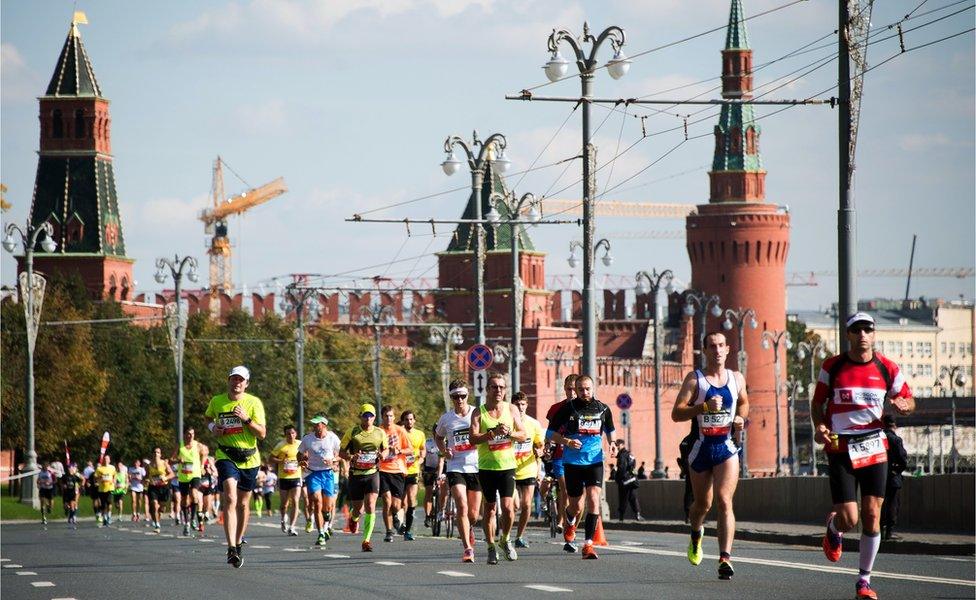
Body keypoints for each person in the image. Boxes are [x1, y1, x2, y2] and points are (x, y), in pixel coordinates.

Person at [812, 313, 914, 600]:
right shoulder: (832, 367)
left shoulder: (887, 368)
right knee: (850, 518)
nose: (862, 335)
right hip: (841, 447)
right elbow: (817, 403)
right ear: (848, 335)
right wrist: (820, 426)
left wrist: (905, 405)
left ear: (874, 334)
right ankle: (835, 528)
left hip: (874, 447)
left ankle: (864, 582)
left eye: (867, 329)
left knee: (871, 515)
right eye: (856, 330)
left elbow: (908, 398)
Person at [671, 330, 748, 580]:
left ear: (728, 350)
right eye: (712, 346)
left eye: (721, 345)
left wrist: (740, 418)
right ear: (704, 351)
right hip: (701, 449)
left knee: (725, 500)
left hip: (726, 447)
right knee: (702, 505)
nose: (717, 350)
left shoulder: (736, 378)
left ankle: (725, 558)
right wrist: (703, 407)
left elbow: (744, 402)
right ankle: (696, 533)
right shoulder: (696, 380)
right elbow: (676, 413)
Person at [546, 375, 618, 560]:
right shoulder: (568, 409)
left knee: (594, 499)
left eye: (587, 389)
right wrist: (567, 441)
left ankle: (588, 544)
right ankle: (569, 522)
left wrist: (612, 443)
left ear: (593, 388)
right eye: (581, 390)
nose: (585, 393)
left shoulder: (602, 409)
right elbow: (550, 433)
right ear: (576, 390)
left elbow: (610, 429)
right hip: (572, 462)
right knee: (576, 505)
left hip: (594, 461)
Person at [205, 365, 267, 569]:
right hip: (226, 454)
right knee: (230, 497)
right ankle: (231, 547)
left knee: (242, 503)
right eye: (234, 379)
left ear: (246, 383)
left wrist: (246, 419)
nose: (237, 382)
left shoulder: (253, 403)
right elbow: (207, 418)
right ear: (229, 380)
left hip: (249, 458)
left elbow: (262, 434)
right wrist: (214, 428)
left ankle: (238, 542)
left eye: (241, 380)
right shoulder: (217, 401)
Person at [471, 373, 527, 565]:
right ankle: (490, 546)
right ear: (487, 390)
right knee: (490, 509)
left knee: (509, 508)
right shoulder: (479, 412)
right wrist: (491, 434)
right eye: (494, 387)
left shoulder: (511, 409)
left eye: (502, 387)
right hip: (487, 467)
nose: (498, 391)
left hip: (507, 466)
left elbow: (523, 434)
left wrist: (509, 433)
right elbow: (472, 438)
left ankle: (505, 539)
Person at [435, 380, 482, 563]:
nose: (459, 400)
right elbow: (438, 437)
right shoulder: (446, 418)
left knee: (473, 514)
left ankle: (470, 528)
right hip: (456, 466)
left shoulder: (477, 413)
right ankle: (467, 548)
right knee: (461, 505)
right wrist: (444, 450)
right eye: (455, 397)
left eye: (462, 396)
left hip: (476, 466)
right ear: (451, 397)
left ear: (467, 396)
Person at [339, 403, 389, 552]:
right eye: (365, 415)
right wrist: (351, 456)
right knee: (358, 510)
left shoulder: (380, 432)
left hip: (372, 473)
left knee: (371, 505)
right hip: (356, 475)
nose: (368, 418)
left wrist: (382, 455)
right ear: (360, 416)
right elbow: (341, 452)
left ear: (374, 417)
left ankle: (366, 540)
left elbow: (385, 449)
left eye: (371, 415)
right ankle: (353, 519)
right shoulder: (352, 432)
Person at [541, 374, 577, 536]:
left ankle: (570, 522)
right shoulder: (556, 408)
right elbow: (550, 431)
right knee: (564, 487)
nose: (572, 393)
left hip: (579, 456)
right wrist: (547, 445)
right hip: (560, 455)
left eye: (575, 389)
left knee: (574, 493)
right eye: (569, 389)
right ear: (565, 389)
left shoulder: (586, 408)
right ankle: (562, 521)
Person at [299, 415, 341, 547]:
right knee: (317, 502)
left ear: (324, 425)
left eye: (317, 424)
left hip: (328, 473)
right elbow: (299, 452)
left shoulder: (332, 437)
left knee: (327, 508)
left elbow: (342, 454)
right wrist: (302, 461)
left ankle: (327, 525)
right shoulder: (308, 438)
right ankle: (321, 533)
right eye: (314, 424)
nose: (315, 426)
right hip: (313, 473)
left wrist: (333, 461)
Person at [511, 391, 544, 549]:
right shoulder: (507, 423)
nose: (520, 407)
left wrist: (540, 450)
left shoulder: (534, 424)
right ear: (512, 406)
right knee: (514, 505)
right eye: (517, 405)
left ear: (527, 405)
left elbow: (540, 444)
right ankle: (506, 533)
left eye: (523, 404)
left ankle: (519, 536)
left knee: (526, 505)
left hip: (528, 468)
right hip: (510, 468)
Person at [376, 405, 411, 543]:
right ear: (382, 417)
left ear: (394, 417)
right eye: (386, 416)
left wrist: (399, 451)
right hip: (383, 469)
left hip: (397, 469)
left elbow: (410, 449)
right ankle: (389, 531)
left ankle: (396, 516)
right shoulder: (378, 431)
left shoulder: (400, 430)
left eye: (391, 416)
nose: (389, 418)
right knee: (386, 500)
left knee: (396, 505)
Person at [270, 425, 303, 535]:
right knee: (284, 503)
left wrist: (303, 462)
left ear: (296, 434)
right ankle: (283, 520)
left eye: (292, 433)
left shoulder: (300, 444)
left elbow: (306, 456)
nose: (291, 435)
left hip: (296, 476)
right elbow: (270, 458)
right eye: (288, 433)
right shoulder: (280, 445)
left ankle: (292, 527)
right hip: (283, 478)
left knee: (295, 500)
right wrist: (280, 461)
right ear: (285, 435)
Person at [399, 410, 426, 541]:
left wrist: (421, 459)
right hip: (399, 470)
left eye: (411, 419)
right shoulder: (399, 433)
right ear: (403, 421)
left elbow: (423, 449)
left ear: (414, 420)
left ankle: (408, 531)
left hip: (413, 470)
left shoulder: (420, 434)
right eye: (406, 419)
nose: (409, 422)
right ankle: (400, 522)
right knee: (400, 502)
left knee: (411, 499)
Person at [881, 415, 909, 541]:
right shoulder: (896, 440)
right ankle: (889, 532)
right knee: (892, 504)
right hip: (892, 478)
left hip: (878, 477)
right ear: (894, 425)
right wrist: (896, 471)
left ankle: (879, 531)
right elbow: (903, 460)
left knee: (879, 504)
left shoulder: (878, 438)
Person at [173, 427, 205, 536]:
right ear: (185, 434)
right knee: (184, 500)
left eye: (192, 434)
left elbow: (204, 453)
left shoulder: (198, 445)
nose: (190, 436)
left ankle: (193, 519)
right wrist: (178, 459)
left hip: (195, 474)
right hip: (183, 476)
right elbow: (171, 458)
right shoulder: (180, 445)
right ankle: (186, 523)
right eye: (188, 434)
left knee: (194, 494)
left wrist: (202, 465)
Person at [146, 448, 174, 532]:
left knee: (162, 509)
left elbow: (172, 474)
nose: (156, 454)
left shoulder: (164, 463)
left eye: (158, 452)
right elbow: (147, 476)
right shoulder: (149, 465)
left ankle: (159, 514)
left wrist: (165, 477)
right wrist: (146, 480)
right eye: (154, 452)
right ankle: (157, 525)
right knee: (154, 505)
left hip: (163, 487)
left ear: (160, 455)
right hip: (153, 487)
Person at [421, 423, 442, 528]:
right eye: (435, 431)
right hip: (429, 469)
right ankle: (428, 515)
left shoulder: (446, 442)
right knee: (429, 491)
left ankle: (441, 510)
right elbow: (423, 456)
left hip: (442, 469)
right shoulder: (428, 443)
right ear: (433, 432)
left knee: (442, 490)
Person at [614, 440, 641, 521]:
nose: (616, 447)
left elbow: (622, 468)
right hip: (632, 480)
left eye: (618, 445)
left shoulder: (622, 455)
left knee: (623, 498)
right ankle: (638, 515)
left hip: (624, 480)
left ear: (622, 445)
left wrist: (618, 478)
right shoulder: (629, 454)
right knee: (633, 497)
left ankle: (621, 517)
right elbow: (633, 465)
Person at [94, 454, 118, 527]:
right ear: (102, 460)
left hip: (110, 488)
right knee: (103, 505)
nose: (106, 460)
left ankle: (109, 516)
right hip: (102, 489)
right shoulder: (99, 468)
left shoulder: (112, 468)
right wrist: (98, 480)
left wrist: (114, 481)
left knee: (109, 503)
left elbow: (115, 475)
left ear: (109, 460)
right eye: (104, 459)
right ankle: (104, 518)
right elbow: (95, 477)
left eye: (107, 459)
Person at [60, 463, 84, 528]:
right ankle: (68, 512)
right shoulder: (65, 476)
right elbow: (61, 482)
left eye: (71, 468)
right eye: (69, 468)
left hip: (73, 492)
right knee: (66, 506)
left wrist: (81, 485)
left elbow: (82, 479)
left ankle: (71, 517)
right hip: (66, 492)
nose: (70, 469)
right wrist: (63, 486)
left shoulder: (75, 476)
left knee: (72, 505)